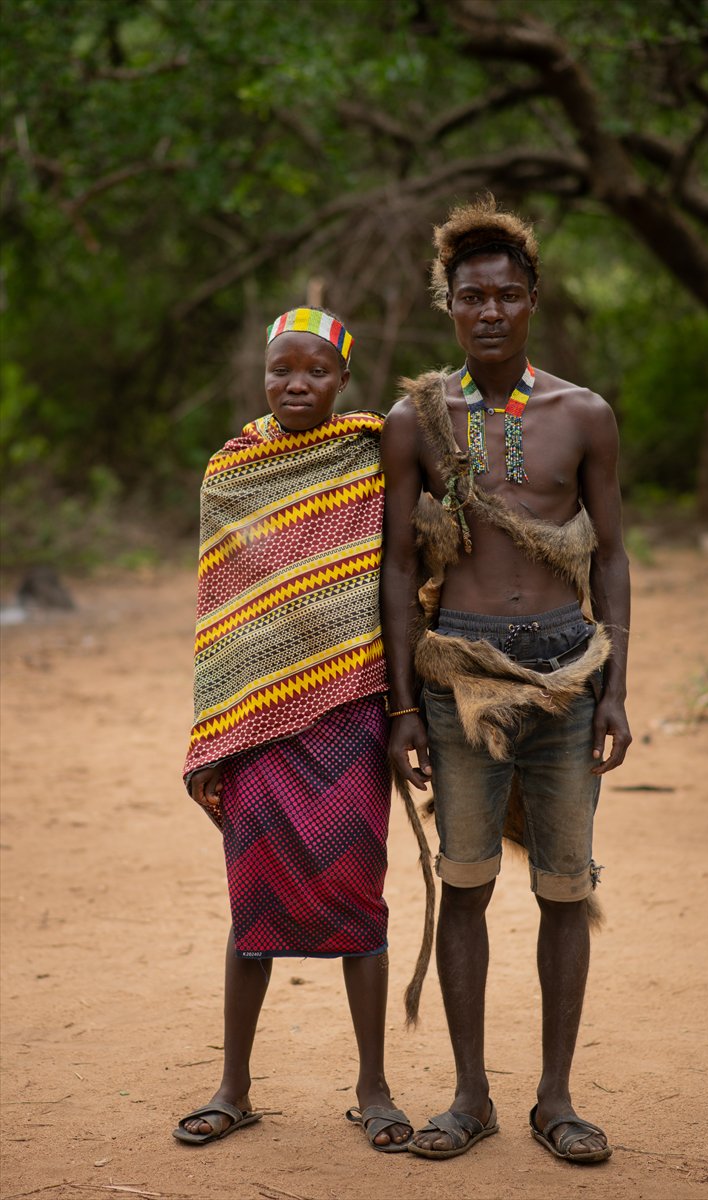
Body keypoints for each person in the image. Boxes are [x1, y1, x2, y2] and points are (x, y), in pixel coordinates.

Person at [380, 196, 631, 1163]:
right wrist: (404, 705)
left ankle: (555, 1101)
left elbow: (611, 556)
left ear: (533, 302)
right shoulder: (418, 418)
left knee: (566, 890)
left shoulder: (583, 414)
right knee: (468, 883)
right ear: (448, 304)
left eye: (507, 295)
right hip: (459, 682)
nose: (489, 311)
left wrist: (614, 687)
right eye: (471, 296)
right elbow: (399, 567)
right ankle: (471, 1097)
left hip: (569, 674)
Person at [173, 307, 412, 1153]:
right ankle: (233, 1087)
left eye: (315, 371)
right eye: (283, 370)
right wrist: (212, 735)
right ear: (262, 375)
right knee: (253, 905)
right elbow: (220, 612)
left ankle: (375, 1089)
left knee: (360, 899)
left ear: (344, 379)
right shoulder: (232, 471)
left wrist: (404, 713)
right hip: (254, 725)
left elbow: (401, 572)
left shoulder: (371, 454)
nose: (297, 384)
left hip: (349, 710)